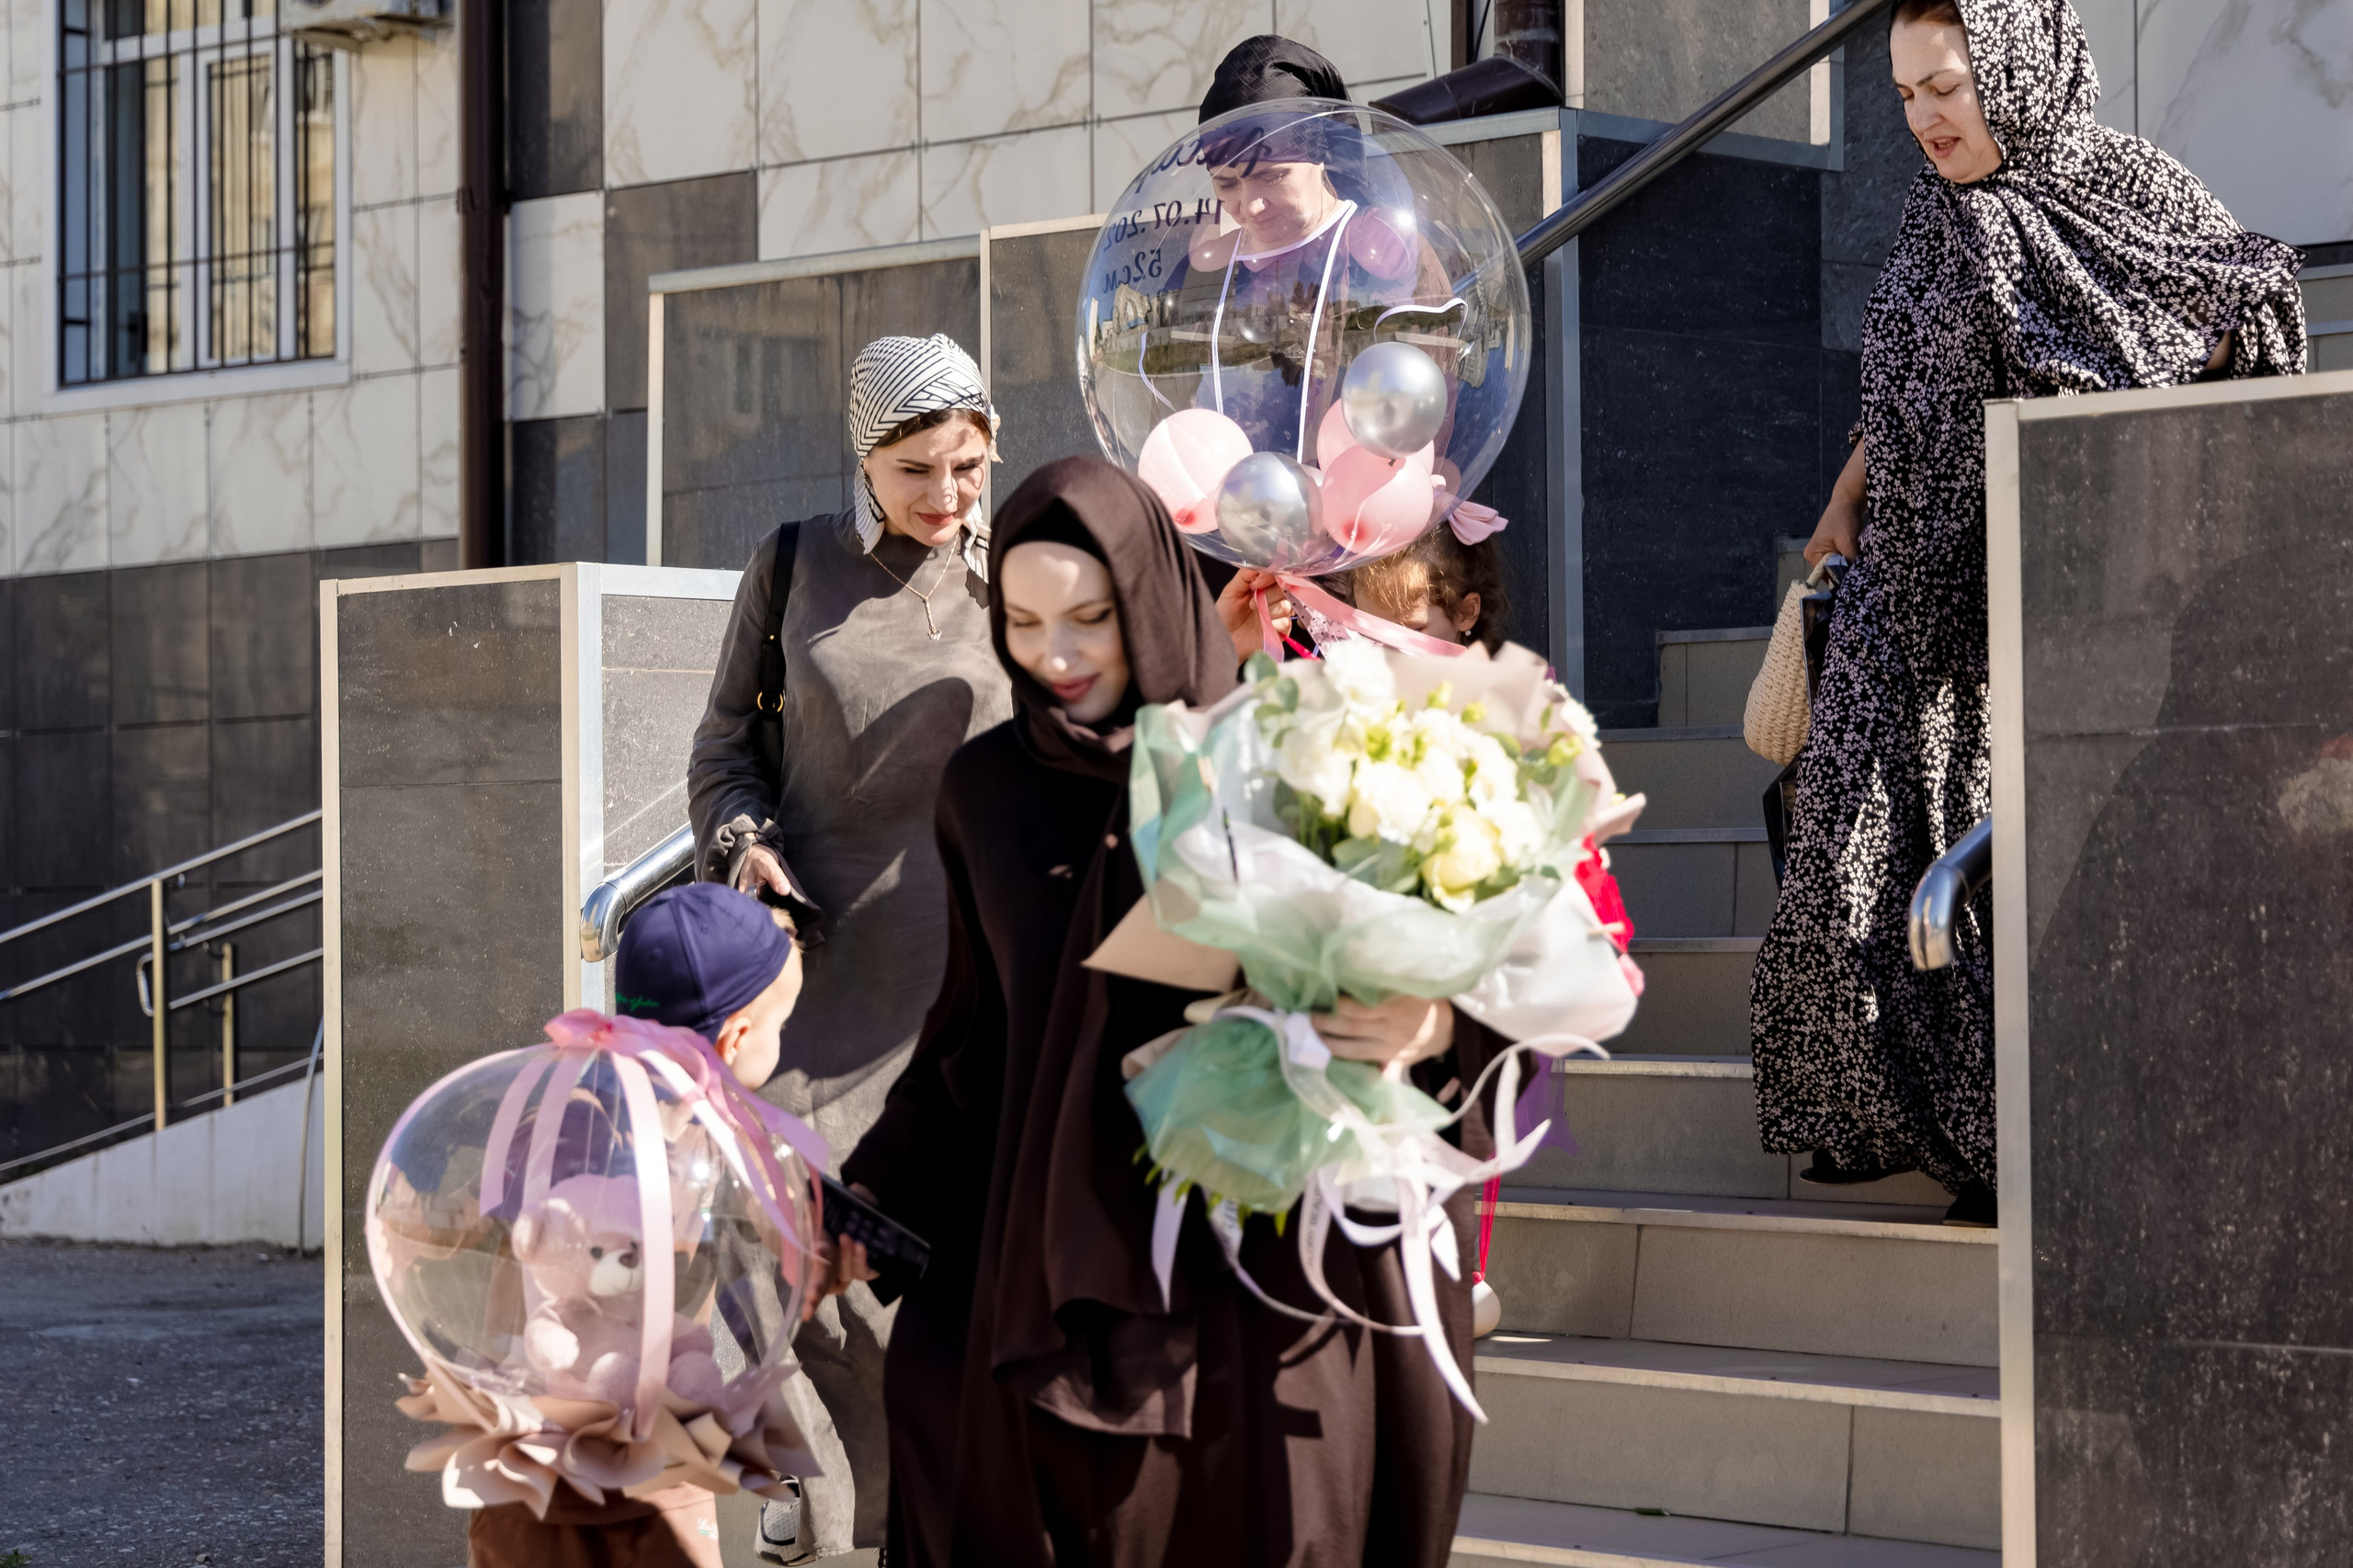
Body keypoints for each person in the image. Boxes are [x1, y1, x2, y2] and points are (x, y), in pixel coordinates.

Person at [835, 455, 1503, 1568]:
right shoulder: (986, 791)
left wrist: (1424, 1026)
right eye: (1024, 618)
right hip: (1051, 1280)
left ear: (1147, 596)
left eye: (1091, 617)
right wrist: (869, 1196)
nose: (1055, 655)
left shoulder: (1289, 750)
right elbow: (975, 1039)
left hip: (1270, 1290)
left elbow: (1466, 987)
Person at [1749, 0, 2304, 1227]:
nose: (1926, 120)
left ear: (2018, 66)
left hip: (2055, 606)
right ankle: (1967, 1139)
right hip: (1913, 592)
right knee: (1860, 867)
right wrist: (1846, 500)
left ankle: (2032, 1139)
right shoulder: (1937, 217)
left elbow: (2245, 306)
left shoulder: (2132, 190)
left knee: (2003, 878)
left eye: (1945, 86)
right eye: (1902, 97)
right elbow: (1901, 392)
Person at [684, 333, 1014, 1554]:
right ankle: (818, 1517)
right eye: (917, 467)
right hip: (809, 983)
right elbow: (722, 748)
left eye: (968, 466)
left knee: (931, 1282)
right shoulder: (791, 566)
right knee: (790, 1262)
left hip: (967, 985)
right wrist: (744, 849)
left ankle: (913, 1521)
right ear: (862, 457)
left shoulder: (1019, 576)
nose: (946, 495)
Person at [464, 882, 858, 1568]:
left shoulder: (589, 1109)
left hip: (573, 1454)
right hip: (607, 1464)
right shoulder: (649, 1135)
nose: (781, 1043)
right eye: (779, 1027)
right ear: (735, 1038)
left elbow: (510, 1277)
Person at [1343, 517, 1511, 651]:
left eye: (1412, 632)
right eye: (1372, 635)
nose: (1389, 652)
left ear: (1465, 612)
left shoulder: (1481, 690)